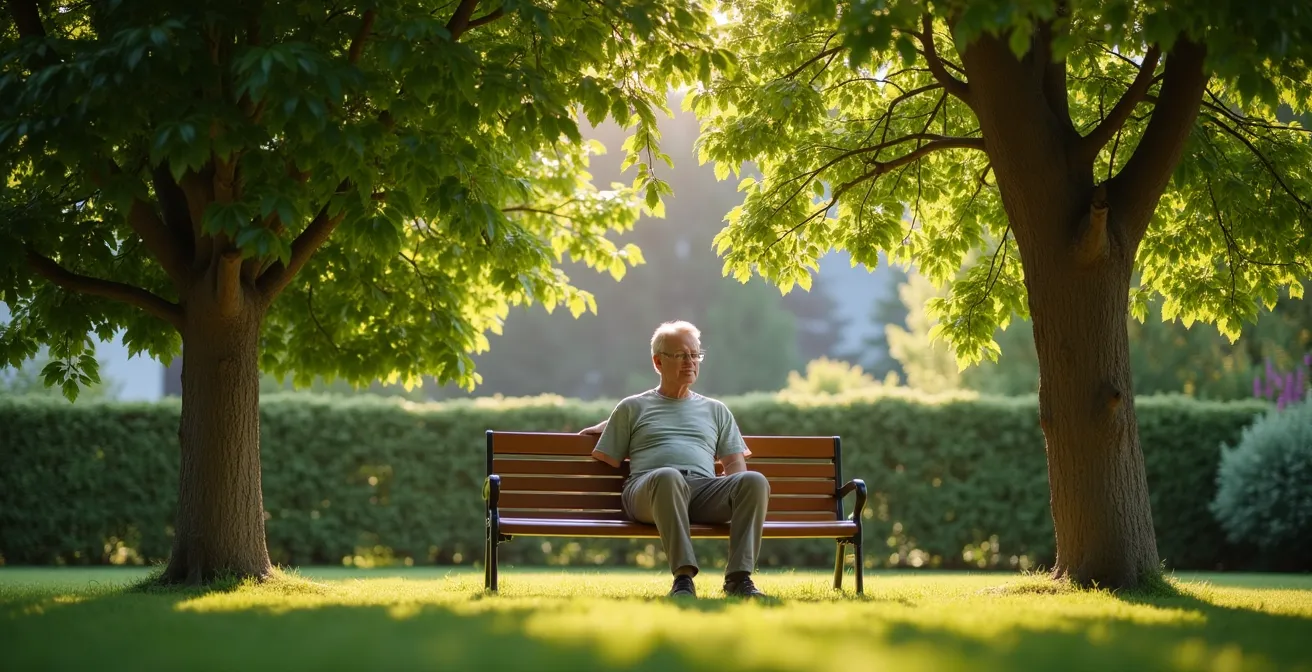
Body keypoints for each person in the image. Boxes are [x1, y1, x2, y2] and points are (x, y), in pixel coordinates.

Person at [580, 320, 770, 599]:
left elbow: (735, 465)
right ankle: (683, 579)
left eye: (694, 355)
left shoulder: (716, 410)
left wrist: (731, 491)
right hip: (651, 490)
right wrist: (611, 424)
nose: (690, 362)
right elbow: (609, 457)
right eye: (681, 355)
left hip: (701, 490)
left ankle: (739, 579)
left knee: (754, 481)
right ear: (658, 362)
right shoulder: (633, 407)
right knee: (668, 476)